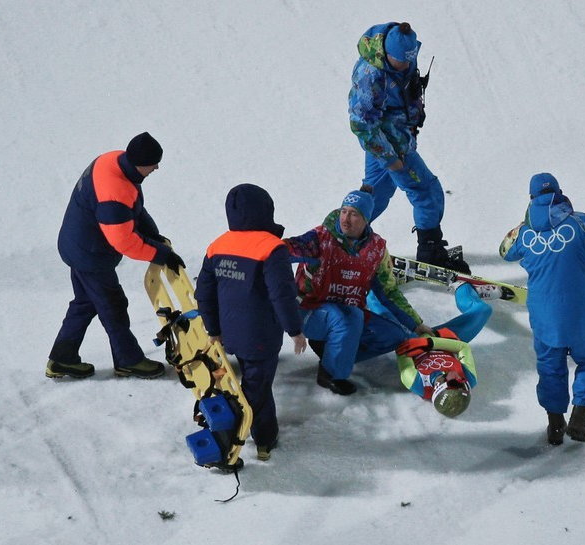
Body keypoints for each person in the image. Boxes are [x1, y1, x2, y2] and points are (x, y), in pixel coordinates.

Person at [499, 172, 585, 445]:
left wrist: (527, 221)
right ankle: (579, 418)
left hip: (544, 318)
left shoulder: (525, 234)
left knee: (550, 367)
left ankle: (554, 425)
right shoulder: (584, 224)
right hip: (584, 315)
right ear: (560, 193)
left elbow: (504, 250)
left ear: (531, 199)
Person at [47, 132, 184, 380]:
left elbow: (132, 210)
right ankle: (128, 360)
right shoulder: (115, 191)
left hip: (77, 244)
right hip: (90, 255)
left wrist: (153, 235)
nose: (156, 168)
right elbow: (124, 241)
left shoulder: (112, 161)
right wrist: (159, 253)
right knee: (113, 306)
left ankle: (62, 358)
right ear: (139, 164)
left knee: (86, 302)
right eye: (153, 164)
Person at [285, 186, 435, 395]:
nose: (346, 219)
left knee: (393, 335)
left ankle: (333, 352)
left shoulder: (376, 250)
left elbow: (388, 292)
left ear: (366, 220)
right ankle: (331, 373)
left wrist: (416, 324)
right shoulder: (320, 238)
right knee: (345, 317)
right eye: (344, 211)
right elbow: (287, 250)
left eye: (354, 214)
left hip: (346, 315)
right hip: (307, 312)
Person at [195, 184, 307, 461]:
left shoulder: (217, 245)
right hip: (261, 337)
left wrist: (214, 329)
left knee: (257, 384)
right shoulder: (271, 248)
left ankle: (264, 434)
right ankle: (239, 435)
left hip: (230, 333)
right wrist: (295, 330)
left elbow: (203, 294)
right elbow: (282, 294)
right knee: (253, 391)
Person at [348, 21, 470, 273]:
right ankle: (430, 251)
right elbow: (362, 124)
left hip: (399, 134)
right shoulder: (371, 74)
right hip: (390, 142)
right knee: (426, 191)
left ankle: (341, 243)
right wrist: (390, 158)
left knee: (376, 195)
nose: (405, 65)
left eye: (409, 60)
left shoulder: (401, 54)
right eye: (399, 61)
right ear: (386, 54)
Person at [391, 280, 498, 418]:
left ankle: (372, 283)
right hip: (445, 337)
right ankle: (462, 288)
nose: (461, 378)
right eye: (464, 384)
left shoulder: (414, 381)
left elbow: (402, 350)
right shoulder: (469, 378)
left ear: (440, 386)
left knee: (386, 315)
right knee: (483, 311)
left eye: (456, 381)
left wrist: (420, 339)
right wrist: (430, 342)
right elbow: (463, 347)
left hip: (411, 337)